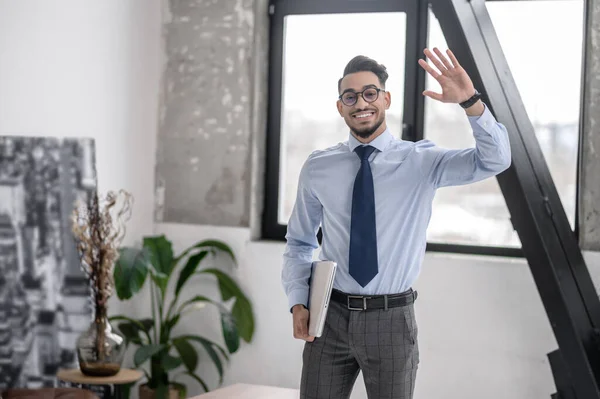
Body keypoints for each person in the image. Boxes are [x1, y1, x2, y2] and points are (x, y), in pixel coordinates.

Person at [281, 48, 511, 399]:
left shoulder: (421, 161)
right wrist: (299, 300)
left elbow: (495, 159)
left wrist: (471, 102)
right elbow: (299, 242)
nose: (361, 103)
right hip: (330, 316)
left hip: (391, 319)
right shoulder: (318, 166)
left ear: (385, 99)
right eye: (350, 96)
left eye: (370, 93)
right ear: (340, 106)